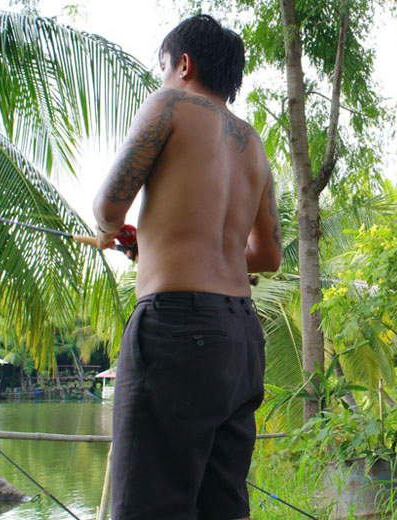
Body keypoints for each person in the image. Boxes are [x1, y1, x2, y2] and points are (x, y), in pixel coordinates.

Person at [92, 14, 282, 520]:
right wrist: (156, 245)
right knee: (220, 505)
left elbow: (109, 204)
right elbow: (267, 257)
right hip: (240, 339)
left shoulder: (169, 104)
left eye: (162, 67)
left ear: (183, 63)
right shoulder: (253, 144)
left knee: (148, 508)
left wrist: (112, 229)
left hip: (176, 329)